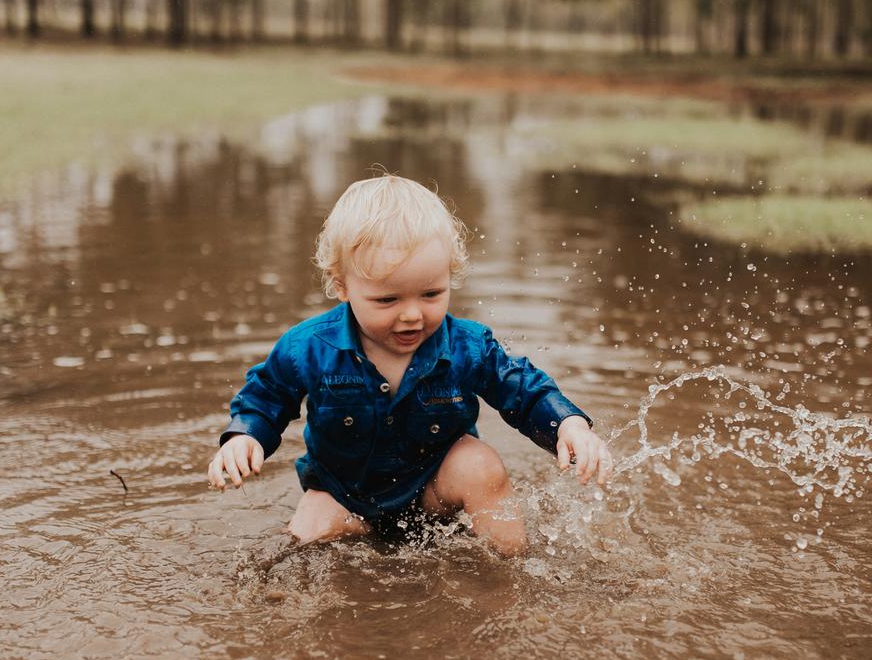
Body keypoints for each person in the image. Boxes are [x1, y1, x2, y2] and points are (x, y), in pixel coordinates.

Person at [207, 174, 612, 555]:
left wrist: (569, 425)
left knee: (480, 465)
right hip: (345, 495)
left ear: (450, 277)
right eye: (388, 300)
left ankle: (514, 566)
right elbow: (266, 395)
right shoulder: (308, 347)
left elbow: (521, 388)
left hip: (434, 489)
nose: (412, 316)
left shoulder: (466, 345)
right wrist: (246, 437)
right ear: (341, 285)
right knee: (304, 541)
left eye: (431, 294)